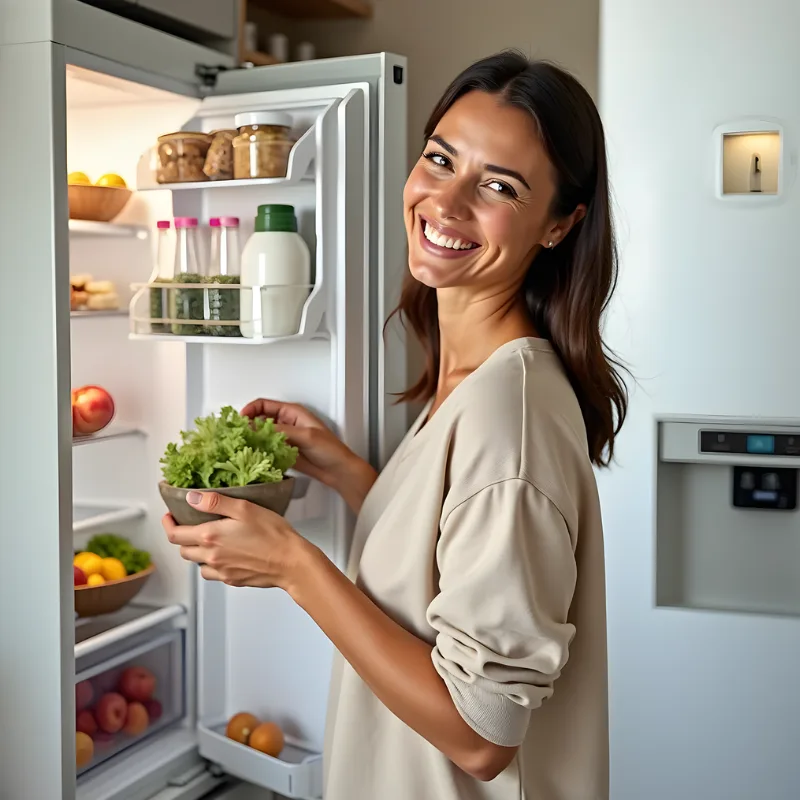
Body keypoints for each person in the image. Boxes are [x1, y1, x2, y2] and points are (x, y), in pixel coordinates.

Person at [164, 50, 627, 800]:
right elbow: (450, 556)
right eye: (441, 159)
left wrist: (293, 566)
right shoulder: (476, 380)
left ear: (558, 225)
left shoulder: (508, 418)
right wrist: (350, 474)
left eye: (499, 186)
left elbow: (482, 735)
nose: (447, 202)